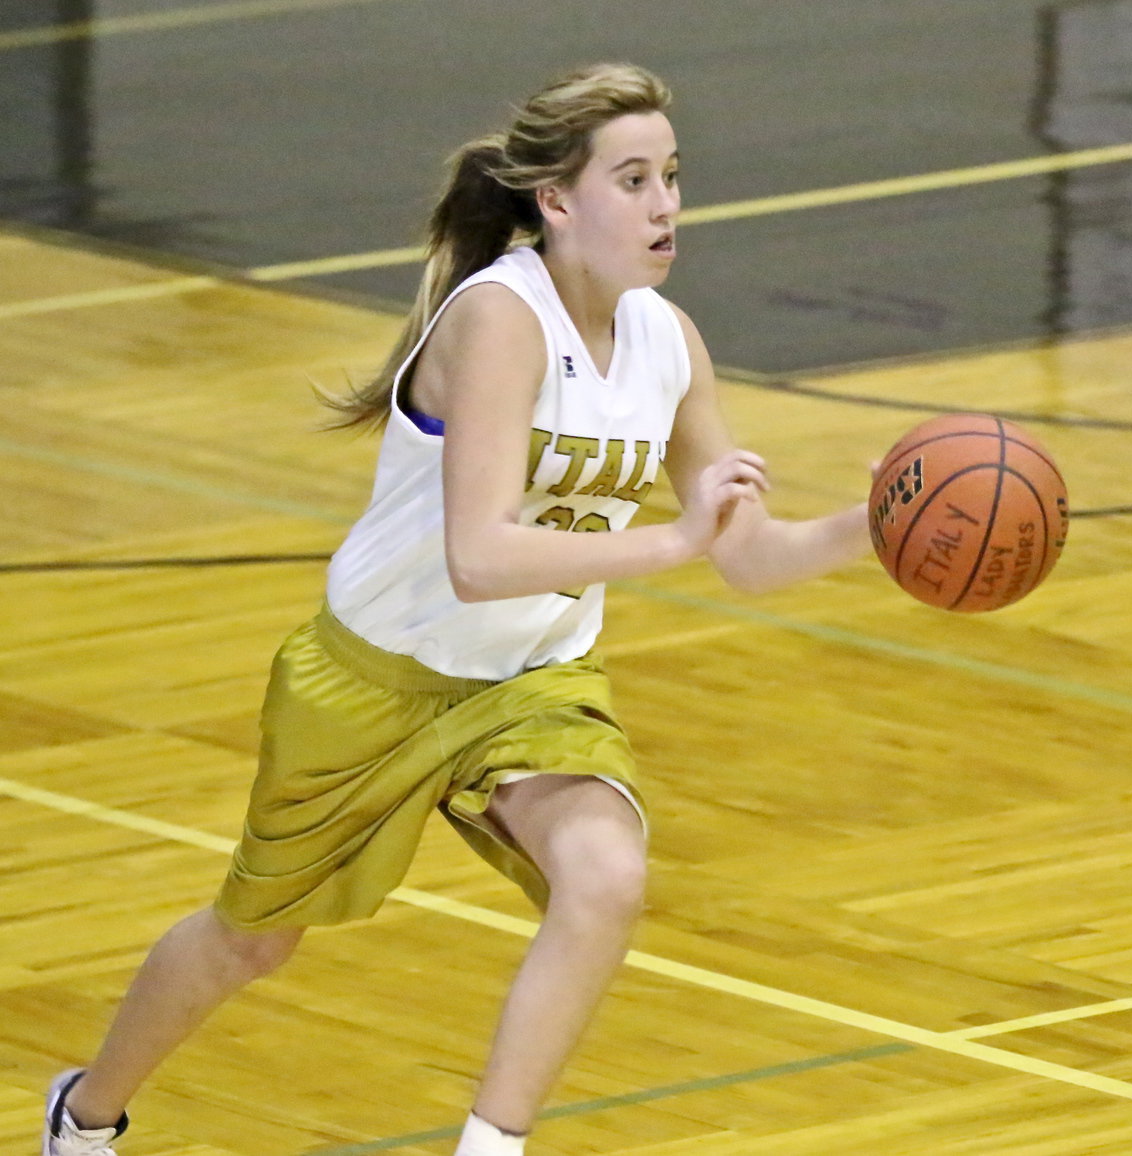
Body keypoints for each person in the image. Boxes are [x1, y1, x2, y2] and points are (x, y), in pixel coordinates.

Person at [42, 62, 871, 1156]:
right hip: (373, 677)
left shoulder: (671, 343)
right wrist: (672, 537)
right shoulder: (499, 319)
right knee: (252, 944)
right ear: (557, 200)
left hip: (529, 684)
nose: (666, 203)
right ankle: (85, 1116)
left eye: (672, 175)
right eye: (633, 179)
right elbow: (478, 557)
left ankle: (492, 1144)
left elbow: (752, 557)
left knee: (606, 873)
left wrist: (884, 524)